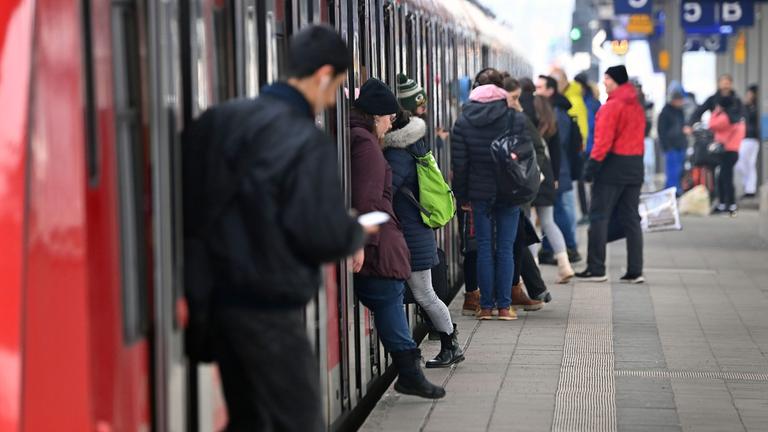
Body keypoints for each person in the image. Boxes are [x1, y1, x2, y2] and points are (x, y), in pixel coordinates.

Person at [183, 26, 367, 431]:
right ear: (322, 75)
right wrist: (353, 232)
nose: (332, 98)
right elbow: (318, 235)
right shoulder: (305, 141)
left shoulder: (220, 120)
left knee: (249, 419)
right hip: (270, 309)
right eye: (336, 86)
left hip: (217, 306)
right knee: (297, 422)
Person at [349, 78, 446, 399]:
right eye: (389, 116)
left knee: (393, 298)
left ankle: (411, 371)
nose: (392, 122)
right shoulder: (365, 144)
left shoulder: (362, 140)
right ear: (375, 115)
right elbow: (367, 200)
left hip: (381, 241)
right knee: (391, 298)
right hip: (378, 243)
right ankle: (410, 372)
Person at [383, 109, 464, 368]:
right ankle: (448, 343)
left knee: (424, 293)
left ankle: (450, 343)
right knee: (422, 293)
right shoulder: (413, 147)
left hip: (410, 234)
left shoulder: (397, 155)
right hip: (415, 232)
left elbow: (387, 190)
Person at [452, 68, 521, 321]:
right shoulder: (512, 118)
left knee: (483, 247)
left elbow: (460, 165)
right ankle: (504, 307)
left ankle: (486, 307)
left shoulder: (462, 121)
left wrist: (463, 198)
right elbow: (523, 156)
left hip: (479, 194)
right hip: (509, 192)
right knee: (505, 247)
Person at [576, 65, 645, 284]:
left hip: (612, 166)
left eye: (606, 78)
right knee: (631, 219)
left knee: (599, 216)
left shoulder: (611, 107)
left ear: (615, 81)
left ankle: (597, 268)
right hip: (635, 166)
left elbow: (602, 142)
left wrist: (591, 168)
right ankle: (635, 271)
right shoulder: (637, 106)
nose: (603, 82)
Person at [505, 76, 553, 309]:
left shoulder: (519, 118)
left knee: (518, 236)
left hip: (519, 186)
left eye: (517, 97)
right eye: (513, 97)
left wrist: (528, 174)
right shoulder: (504, 118)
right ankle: (532, 288)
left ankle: (529, 289)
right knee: (516, 237)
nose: (517, 102)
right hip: (510, 188)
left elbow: (538, 149)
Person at [535, 74, 581, 264]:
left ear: (551, 90)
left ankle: (568, 248)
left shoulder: (556, 113)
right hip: (559, 169)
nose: (536, 92)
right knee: (556, 212)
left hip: (558, 171)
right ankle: (552, 248)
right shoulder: (555, 110)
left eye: (540, 88)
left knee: (559, 211)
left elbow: (558, 145)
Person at [529, 94, 575, 283]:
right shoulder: (552, 125)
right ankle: (565, 265)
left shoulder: (527, 124)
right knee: (548, 222)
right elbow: (556, 154)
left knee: (530, 224)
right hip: (548, 176)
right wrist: (555, 178)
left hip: (531, 176)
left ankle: (533, 270)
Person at [709, 96, 746, 214]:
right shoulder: (739, 118)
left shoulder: (725, 117)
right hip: (734, 151)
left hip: (725, 151)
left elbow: (711, 125)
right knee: (725, 178)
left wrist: (715, 112)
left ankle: (728, 204)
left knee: (724, 179)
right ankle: (727, 204)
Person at [574, 72, 601, 224]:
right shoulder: (591, 102)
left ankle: (590, 212)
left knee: (586, 182)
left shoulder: (590, 104)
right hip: (586, 148)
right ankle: (588, 212)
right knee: (583, 182)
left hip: (589, 148)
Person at [658, 91, 688, 192]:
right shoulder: (665, 112)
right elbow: (661, 131)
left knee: (679, 172)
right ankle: (672, 193)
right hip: (671, 147)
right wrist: (666, 147)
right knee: (672, 173)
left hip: (681, 146)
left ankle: (676, 191)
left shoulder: (680, 112)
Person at [737, 84, 760, 199]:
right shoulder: (745, 107)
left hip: (753, 138)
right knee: (740, 164)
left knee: (750, 164)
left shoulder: (758, 107)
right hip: (744, 138)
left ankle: (750, 189)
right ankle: (747, 186)